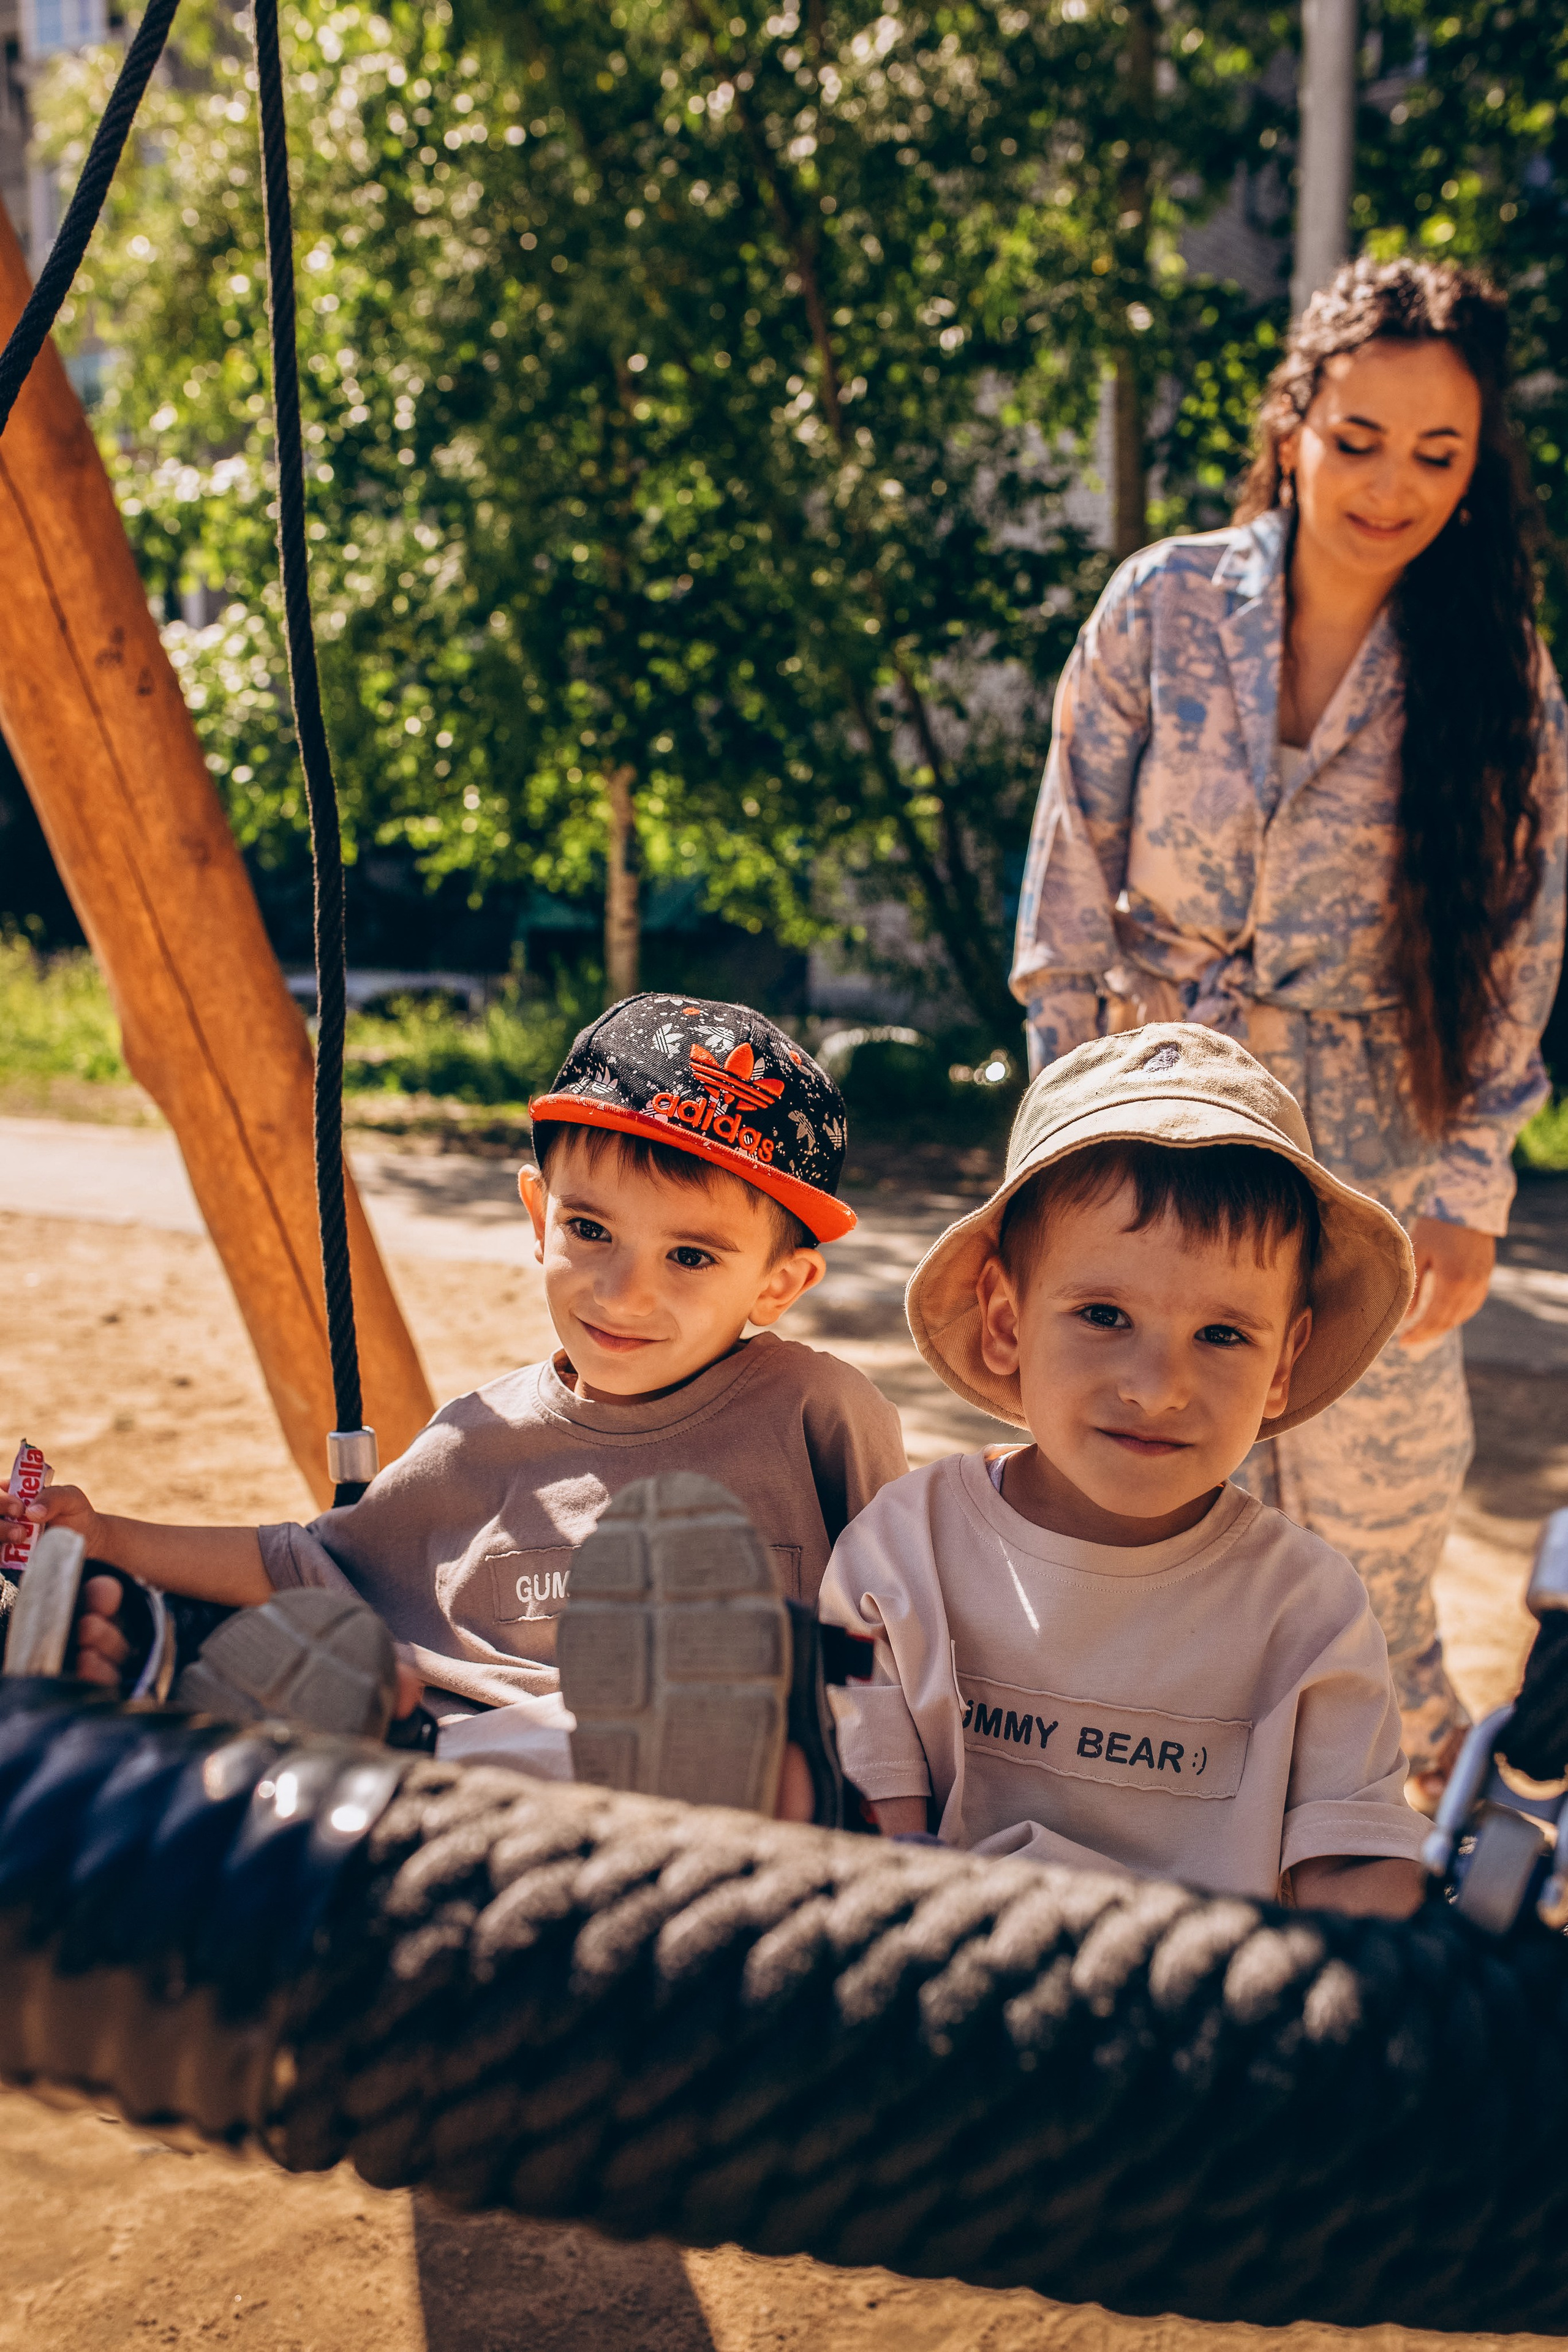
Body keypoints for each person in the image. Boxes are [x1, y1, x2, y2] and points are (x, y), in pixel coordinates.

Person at [1009, 256, 1568, 1801]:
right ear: (1292, 423)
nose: (1389, 484)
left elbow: (1520, 956)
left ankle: (1429, 1872)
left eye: (1435, 454)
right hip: (1150, 1120)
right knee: (1136, 1491)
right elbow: (1063, 895)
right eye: (1357, 437)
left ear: (1477, 467)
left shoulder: (1499, 683)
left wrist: (1467, 1189)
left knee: (1373, 1544)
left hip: (1369, 1158)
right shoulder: (1164, 604)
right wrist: (1059, 1141)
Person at [2, 995, 908, 1774]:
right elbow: (311, 1563)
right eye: (590, 1230)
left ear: (778, 1285)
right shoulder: (478, 1439)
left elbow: (915, 1622)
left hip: (699, 1787)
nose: (625, 1292)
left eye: (690, 1255)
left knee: (745, 1713)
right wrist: (109, 1535)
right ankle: (166, 1695)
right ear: (536, 1216)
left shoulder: (814, 1416)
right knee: (333, 1669)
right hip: (464, 1777)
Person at [818, 1024, 1429, 1917]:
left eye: (1223, 1335)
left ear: (1285, 1362)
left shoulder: (1309, 1611)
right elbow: (866, 1820)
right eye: (1103, 1315)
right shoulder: (904, 1555)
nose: (1158, 1388)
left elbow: (1354, 1866)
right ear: (1005, 1321)